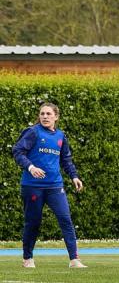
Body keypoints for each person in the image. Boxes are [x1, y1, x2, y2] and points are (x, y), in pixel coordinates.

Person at [12, 103, 86, 269]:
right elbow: (17, 151)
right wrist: (31, 167)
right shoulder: (33, 132)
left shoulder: (60, 136)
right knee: (33, 222)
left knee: (65, 219)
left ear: (56, 117)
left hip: (55, 186)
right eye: (42, 114)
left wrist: (74, 176)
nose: (45, 116)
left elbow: (66, 159)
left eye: (48, 114)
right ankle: (27, 258)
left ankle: (74, 260)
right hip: (32, 186)